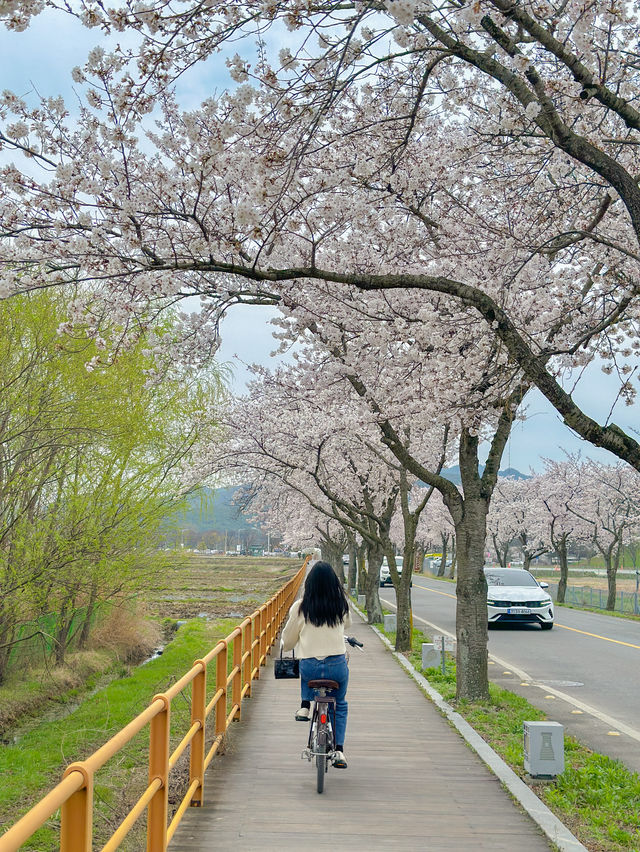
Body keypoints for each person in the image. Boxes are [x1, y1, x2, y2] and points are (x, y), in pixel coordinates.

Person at [281, 561, 352, 769]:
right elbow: (347, 624)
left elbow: (289, 640)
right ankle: (339, 749)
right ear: (334, 584)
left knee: (307, 668)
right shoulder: (341, 604)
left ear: (309, 583)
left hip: (310, 668)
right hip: (337, 666)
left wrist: (286, 645)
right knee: (340, 703)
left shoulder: (301, 607)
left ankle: (305, 706)